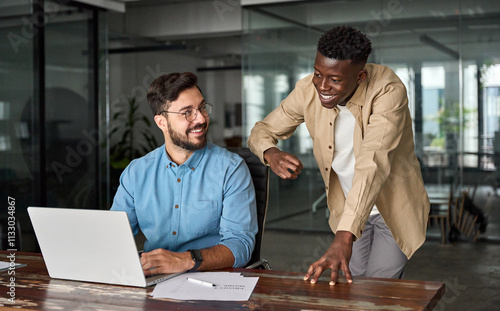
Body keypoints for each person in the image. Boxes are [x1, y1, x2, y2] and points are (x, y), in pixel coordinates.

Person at [248, 25, 429, 285]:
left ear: (360, 77)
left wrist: (344, 236)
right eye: (318, 73)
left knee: (376, 290)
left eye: (335, 79)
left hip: (394, 209)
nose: (322, 86)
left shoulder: (388, 91)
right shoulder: (307, 90)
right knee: (352, 286)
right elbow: (261, 130)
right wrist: (270, 152)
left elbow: (373, 163)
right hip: (347, 210)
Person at [111, 72, 258, 276]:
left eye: (202, 108)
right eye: (187, 112)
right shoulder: (137, 172)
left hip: (210, 279)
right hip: (155, 279)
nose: (201, 118)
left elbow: (240, 246)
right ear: (161, 122)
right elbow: (114, 237)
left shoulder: (231, 169)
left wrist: (184, 260)